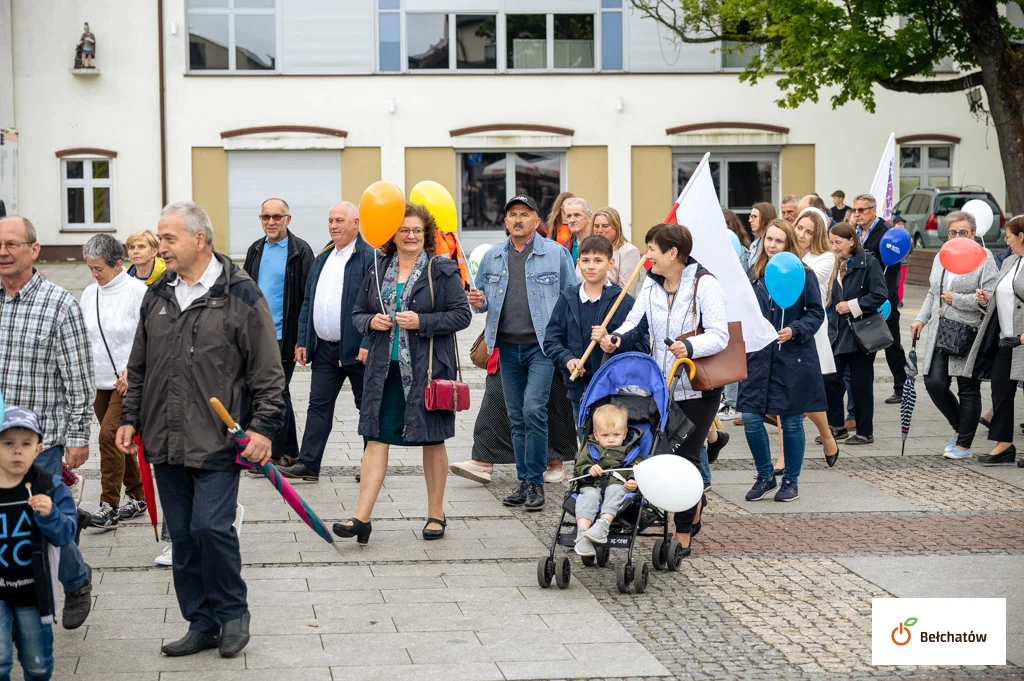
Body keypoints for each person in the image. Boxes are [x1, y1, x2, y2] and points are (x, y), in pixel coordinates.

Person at [116, 201, 285, 658]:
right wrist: (130, 418)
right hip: (165, 437)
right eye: (159, 237)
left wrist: (265, 428)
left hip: (216, 437)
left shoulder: (240, 294)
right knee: (184, 538)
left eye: (168, 238)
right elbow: (140, 363)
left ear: (199, 240)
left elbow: (268, 369)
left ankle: (233, 613)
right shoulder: (158, 294)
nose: (160, 246)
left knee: (211, 528)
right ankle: (201, 621)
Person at [337, 203, 472, 543]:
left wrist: (422, 321)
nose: (411, 236)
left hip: (426, 372)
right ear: (392, 235)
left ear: (426, 236)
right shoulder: (377, 267)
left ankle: (435, 514)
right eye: (404, 230)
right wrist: (371, 322)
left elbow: (461, 315)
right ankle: (361, 517)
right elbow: (357, 313)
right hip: (385, 370)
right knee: (376, 438)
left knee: (432, 439)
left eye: (417, 231)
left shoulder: (440, 269)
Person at [599, 224, 730, 557]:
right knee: (657, 453)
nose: (648, 256)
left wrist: (689, 345)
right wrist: (615, 339)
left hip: (698, 388)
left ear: (673, 253)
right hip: (661, 386)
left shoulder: (705, 284)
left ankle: (683, 531)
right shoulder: (652, 285)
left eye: (653, 249)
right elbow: (632, 323)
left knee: (685, 458)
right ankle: (693, 499)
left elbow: (720, 336)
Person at [0, 216, 93, 630]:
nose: (3, 252)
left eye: (12, 244)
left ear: (34, 250)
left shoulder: (60, 304)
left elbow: (78, 377)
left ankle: (75, 581)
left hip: (42, 442)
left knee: (43, 518)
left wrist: (77, 436)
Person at [469, 194, 577, 511]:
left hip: (541, 348)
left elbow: (571, 298)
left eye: (525, 214)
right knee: (516, 417)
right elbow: (484, 301)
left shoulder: (556, 254)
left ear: (536, 221)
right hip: (506, 347)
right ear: (505, 222)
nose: (518, 219)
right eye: (513, 214)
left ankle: (536, 483)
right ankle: (524, 481)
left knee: (533, 410)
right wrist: (478, 302)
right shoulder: (493, 257)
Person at [279, 202, 374, 482]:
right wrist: (303, 340)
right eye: (331, 220)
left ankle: (371, 463)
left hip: (357, 350)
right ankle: (308, 464)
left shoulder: (370, 258)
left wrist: (368, 341)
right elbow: (309, 302)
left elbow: (379, 304)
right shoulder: (323, 257)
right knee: (318, 406)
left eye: (340, 220)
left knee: (367, 407)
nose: (333, 225)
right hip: (324, 350)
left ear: (356, 223)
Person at [738, 220, 825, 502]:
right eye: (769, 240)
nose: (772, 246)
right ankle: (765, 476)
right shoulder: (755, 273)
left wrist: (795, 329)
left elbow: (815, 312)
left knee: (790, 422)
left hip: (793, 358)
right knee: (751, 417)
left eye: (778, 241)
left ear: (788, 244)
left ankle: (791, 480)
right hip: (759, 357)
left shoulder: (804, 274)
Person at [910, 211, 996, 460]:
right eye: (952, 232)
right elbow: (932, 292)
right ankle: (961, 427)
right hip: (941, 329)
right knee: (934, 382)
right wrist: (920, 319)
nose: (957, 237)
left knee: (967, 387)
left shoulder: (984, 258)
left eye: (963, 232)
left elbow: (989, 299)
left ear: (973, 233)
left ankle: (964, 445)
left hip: (968, 331)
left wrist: (957, 299)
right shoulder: (942, 255)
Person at [0, 407, 78, 681]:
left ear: (39, 449)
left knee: (38, 664)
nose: (17, 451)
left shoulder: (49, 485)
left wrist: (50, 515)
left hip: (33, 591)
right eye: (8, 443)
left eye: (25, 444)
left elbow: (66, 533)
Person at [79, 235, 148, 528]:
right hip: (98, 381)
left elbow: (151, 337)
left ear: (118, 264)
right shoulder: (88, 293)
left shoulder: (138, 292)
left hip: (127, 382)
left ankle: (109, 505)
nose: (94, 275)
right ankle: (138, 495)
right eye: (90, 269)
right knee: (120, 442)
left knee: (108, 436)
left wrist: (133, 371)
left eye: (99, 269)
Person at [544, 235, 648, 425]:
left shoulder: (623, 302)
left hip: (613, 389)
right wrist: (567, 359)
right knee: (584, 436)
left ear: (611, 264)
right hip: (578, 387)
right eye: (585, 260)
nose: (591, 266)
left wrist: (613, 341)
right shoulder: (567, 299)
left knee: (610, 439)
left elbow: (642, 344)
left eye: (598, 260)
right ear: (578, 263)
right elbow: (551, 340)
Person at [243, 198, 314, 466]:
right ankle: (287, 451)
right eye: (265, 217)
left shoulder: (300, 251)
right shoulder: (256, 249)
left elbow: (309, 297)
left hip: (285, 338)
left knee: (276, 391)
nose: (271, 222)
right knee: (272, 393)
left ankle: (276, 453)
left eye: (276, 216)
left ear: (288, 219)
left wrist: (303, 339)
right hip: (256, 337)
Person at [965, 215, 1024, 466]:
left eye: (1009, 236)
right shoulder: (1011, 260)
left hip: (1022, 339)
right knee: (1000, 390)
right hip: (1006, 339)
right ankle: (1004, 444)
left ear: (1021, 236)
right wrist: (985, 299)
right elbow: (1005, 296)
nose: (1006, 241)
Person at [824, 222, 889, 445]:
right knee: (830, 379)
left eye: (838, 242)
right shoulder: (835, 262)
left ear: (851, 240)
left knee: (861, 383)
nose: (834, 247)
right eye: (831, 242)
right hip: (838, 331)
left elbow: (880, 294)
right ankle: (838, 426)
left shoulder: (868, 262)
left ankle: (864, 431)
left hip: (861, 332)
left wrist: (852, 305)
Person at [786, 210, 840, 468]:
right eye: (799, 228)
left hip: (810, 327)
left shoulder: (826, 258)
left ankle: (826, 434)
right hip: (784, 326)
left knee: (802, 392)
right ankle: (822, 437)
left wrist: (787, 256)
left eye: (808, 231)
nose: (802, 235)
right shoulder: (785, 251)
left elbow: (801, 278)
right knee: (790, 394)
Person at [853, 193, 907, 404]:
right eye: (855, 210)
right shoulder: (856, 232)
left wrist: (885, 297)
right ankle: (863, 386)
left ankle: (902, 386)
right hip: (862, 296)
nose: (856, 214)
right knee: (865, 341)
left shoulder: (886, 232)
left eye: (861, 210)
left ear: (873, 211)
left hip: (883, 297)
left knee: (890, 341)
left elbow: (893, 269)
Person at [571, 404, 641, 557]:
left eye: (616, 435)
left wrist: (633, 481)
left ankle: (603, 525)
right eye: (605, 436)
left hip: (617, 486)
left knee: (615, 490)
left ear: (624, 434)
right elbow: (580, 467)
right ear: (596, 435)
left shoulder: (632, 451)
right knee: (587, 497)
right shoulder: (590, 448)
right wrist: (589, 470)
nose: (611, 440)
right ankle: (582, 534)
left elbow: (637, 470)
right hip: (592, 485)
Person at [591, 207, 644, 296]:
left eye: (605, 226)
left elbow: (627, 292)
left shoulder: (629, 251)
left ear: (616, 227)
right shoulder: (588, 250)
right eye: (596, 226)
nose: (599, 230)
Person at [561, 198, 595, 266]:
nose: (572, 220)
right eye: (569, 216)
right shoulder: (566, 245)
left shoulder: (601, 242)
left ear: (589, 216)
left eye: (577, 215)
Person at [746, 203, 777, 274]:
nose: (750, 220)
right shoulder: (754, 244)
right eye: (750, 217)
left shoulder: (774, 245)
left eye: (754, 216)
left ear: (765, 218)